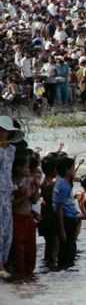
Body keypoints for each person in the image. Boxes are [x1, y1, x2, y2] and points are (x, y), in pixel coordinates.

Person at [0, 116, 22, 276]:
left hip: (7, 192)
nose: (3, 133)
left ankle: (4, 262)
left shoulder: (11, 150)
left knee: (7, 230)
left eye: (6, 131)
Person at [11, 152, 38, 276]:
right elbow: (9, 205)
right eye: (27, 167)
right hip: (17, 218)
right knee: (19, 250)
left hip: (29, 218)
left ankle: (29, 276)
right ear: (19, 168)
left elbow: (34, 200)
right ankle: (21, 276)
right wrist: (23, 197)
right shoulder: (11, 183)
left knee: (31, 249)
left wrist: (36, 187)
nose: (29, 169)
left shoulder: (28, 181)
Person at [53, 157, 83, 268]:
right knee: (68, 253)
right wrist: (62, 230)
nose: (74, 171)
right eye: (73, 168)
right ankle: (67, 277)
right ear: (67, 170)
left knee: (66, 252)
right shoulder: (64, 186)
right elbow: (59, 208)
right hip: (67, 220)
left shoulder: (61, 182)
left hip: (68, 218)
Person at [39, 154, 59, 267]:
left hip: (45, 215)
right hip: (51, 217)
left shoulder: (44, 182)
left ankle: (47, 264)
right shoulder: (52, 184)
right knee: (55, 244)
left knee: (49, 243)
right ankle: (52, 266)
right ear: (55, 169)